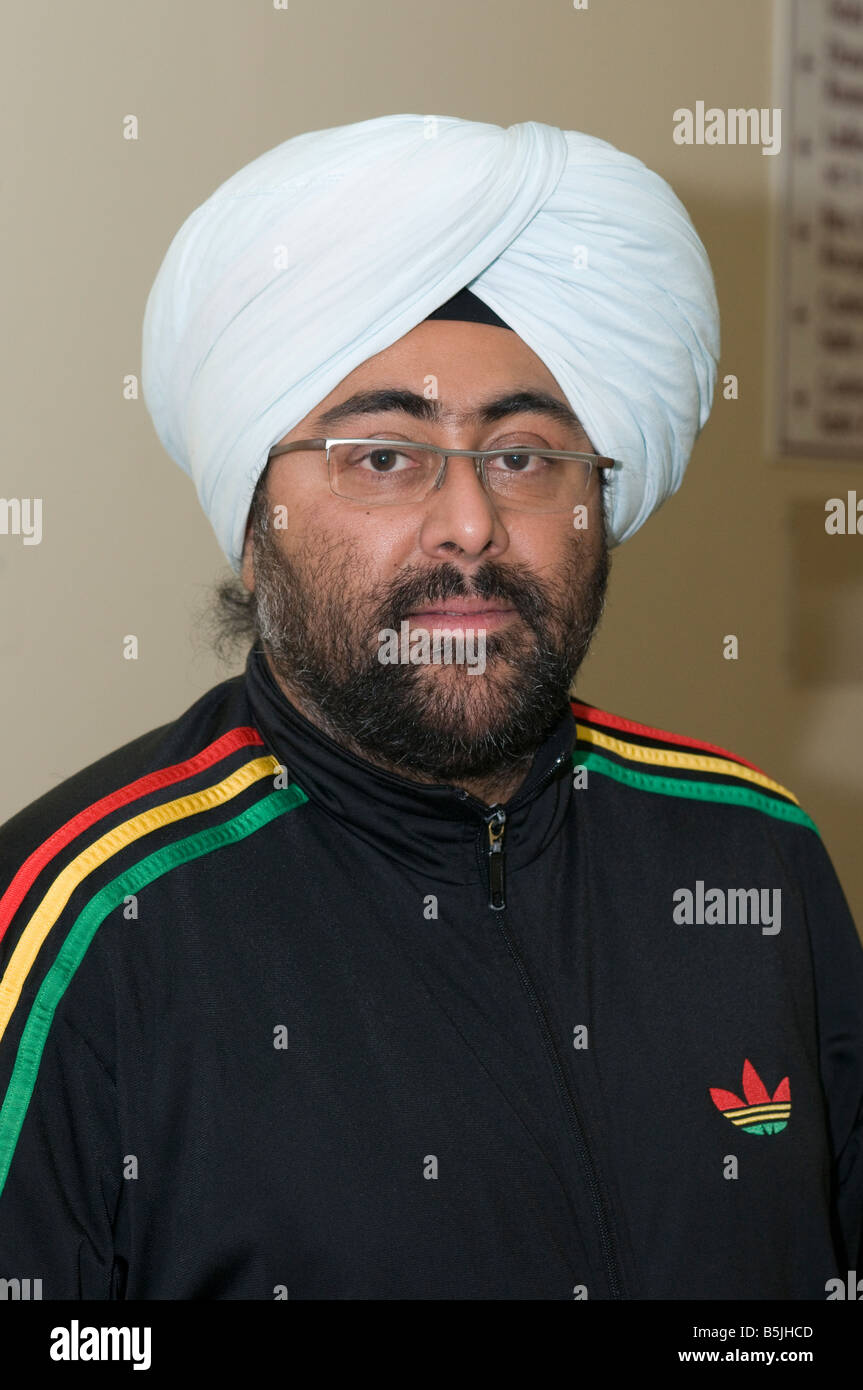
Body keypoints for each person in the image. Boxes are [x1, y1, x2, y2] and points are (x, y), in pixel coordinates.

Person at [0, 114, 860, 1301]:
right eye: (385, 455)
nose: (469, 524)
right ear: (255, 527)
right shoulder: (82, 926)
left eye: (522, 455)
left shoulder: (752, 854)